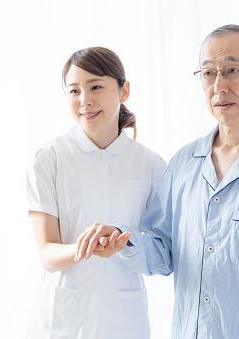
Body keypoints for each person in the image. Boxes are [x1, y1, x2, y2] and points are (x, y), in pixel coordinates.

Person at [76, 25, 239, 339]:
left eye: (232, 70)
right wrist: (123, 239)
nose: (219, 85)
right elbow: (162, 252)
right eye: (208, 73)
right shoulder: (183, 164)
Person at [26, 47, 166, 339]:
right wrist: (85, 247)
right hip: (61, 321)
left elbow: (162, 250)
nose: (85, 101)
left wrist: (123, 241)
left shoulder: (151, 165)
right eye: (74, 90)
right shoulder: (48, 159)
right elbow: (47, 253)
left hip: (125, 320)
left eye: (96, 87)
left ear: (123, 90)